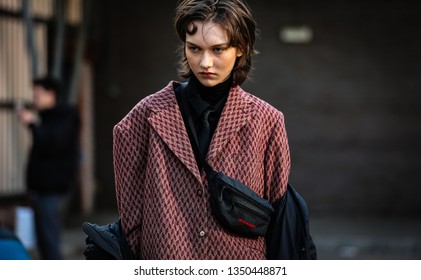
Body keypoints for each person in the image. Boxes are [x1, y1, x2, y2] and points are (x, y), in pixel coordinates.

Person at [113, 0, 290, 259]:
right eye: (194, 48)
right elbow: (130, 214)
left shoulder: (267, 121)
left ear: (240, 48)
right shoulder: (143, 117)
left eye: (218, 49)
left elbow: (279, 213)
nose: (205, 62)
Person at [17, 76, 80, 259]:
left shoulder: (64, 116)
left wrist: (31, 124)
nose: (34, 98)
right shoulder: (48, 118)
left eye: (37, 94)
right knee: (43, 243)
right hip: (39, 190)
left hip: (52, 190)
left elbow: (51, 143)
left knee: (50, 242)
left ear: (51, 94)